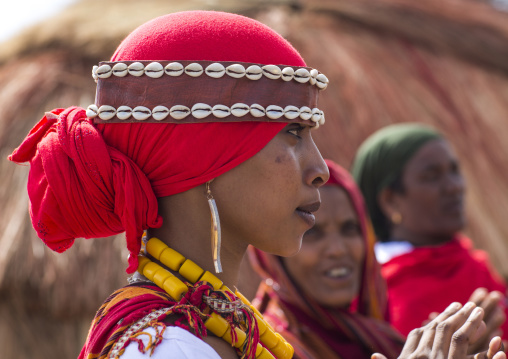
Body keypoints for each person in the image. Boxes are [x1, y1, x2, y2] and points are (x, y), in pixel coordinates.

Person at [7, 11, 505, 359]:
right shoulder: (165, 348)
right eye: (293, 133)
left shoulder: (220, 323)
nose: (321, 169)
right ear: (207, 158)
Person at [351, 123, 508, 344]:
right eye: (432, 176)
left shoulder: (474, 267)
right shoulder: (378, 293)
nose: (455, 186)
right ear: (390, 200)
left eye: (454, 171)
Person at [248, 160, 405, 358]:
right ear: (273, 252)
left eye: (350, 229)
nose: (337, 250)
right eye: (312, 233)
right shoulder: (266, 349)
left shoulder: (379, 339)